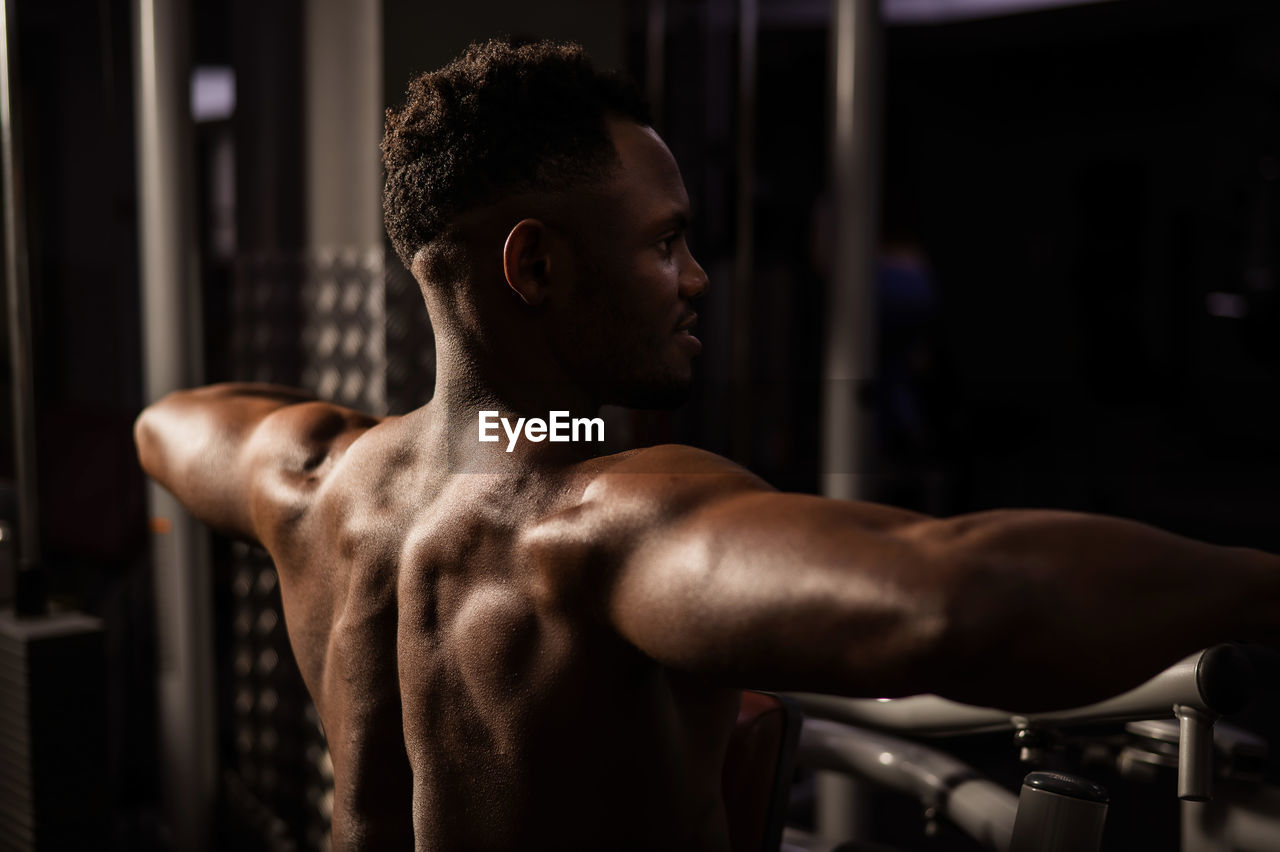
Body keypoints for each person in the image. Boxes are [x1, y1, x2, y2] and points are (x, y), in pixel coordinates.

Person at [135, 38, 1280, 851]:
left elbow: (167, 423)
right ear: (533, 267)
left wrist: (439, 434)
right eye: (665, 243)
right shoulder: (602, 526)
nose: (693, 280)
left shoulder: (319, 481)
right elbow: (942, 596)